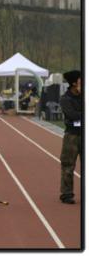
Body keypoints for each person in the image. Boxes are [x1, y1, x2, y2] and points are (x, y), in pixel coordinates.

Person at [59, 70, 82, 204]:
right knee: (68, 165)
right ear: (74, 83)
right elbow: (72, 115)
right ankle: (67, 194)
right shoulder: (65, 98)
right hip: (72, 136)